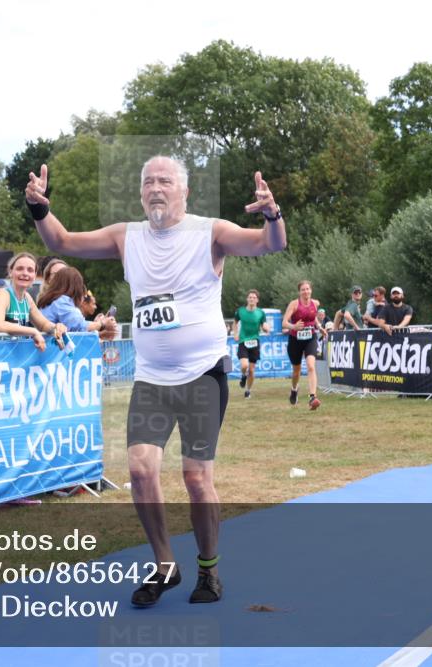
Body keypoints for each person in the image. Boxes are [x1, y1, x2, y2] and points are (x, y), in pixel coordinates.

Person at [25, 156, 286, 607]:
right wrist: (39, 208)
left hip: (203, 374)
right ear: (141, 193)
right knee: (142, 472)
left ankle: (209, 569)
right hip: (152, 379)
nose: (156, 187)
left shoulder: (211, 231)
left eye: (165, 180)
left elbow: (270, 245)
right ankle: (165, 564)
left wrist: (272, 214)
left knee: (195, 478)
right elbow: (62, 240)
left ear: (185, 191)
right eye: (148, 181)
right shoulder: (127, 236)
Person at [0, 251, 68, 351]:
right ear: (10, 272)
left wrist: (56, 328)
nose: (25, 273)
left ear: (34, 276)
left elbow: (43, 324)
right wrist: (32, 331)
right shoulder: (3, 294)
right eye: (19, 269)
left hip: (12, 357)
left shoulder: (27, 298)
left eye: (30, 270)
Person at [36, 265, 116, 339]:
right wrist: (102, 324)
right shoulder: (61, 301)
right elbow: (79, 326)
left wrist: (96, 325)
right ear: (75, 286)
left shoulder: (51, 300)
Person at [283, 280, 326, 409]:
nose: (306, 291)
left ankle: (313, 397)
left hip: (310, 338)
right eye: (303, 289)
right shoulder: (294, 304)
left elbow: (313, 318)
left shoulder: (315, 303)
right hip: (295, 340)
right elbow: (284, 323)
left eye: (308, 289)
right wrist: (294, 326)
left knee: (311, 366)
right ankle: (294, 389)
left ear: (311, 290)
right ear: (299, 291)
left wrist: (319, 327)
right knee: (296, 371)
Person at [232, 289, 270, 399]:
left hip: (255, 342)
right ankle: (243, 375)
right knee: (244, 365)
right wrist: (235, 334)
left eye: (254, 297)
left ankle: (248, 390)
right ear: (247, 299)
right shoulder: (241, 311)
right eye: (250, 297)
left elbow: (264, 325)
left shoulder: (260, 313)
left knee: (252, 370)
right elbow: (235, 323)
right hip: (243, 341)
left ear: (257, 300)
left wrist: (266, 328)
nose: (251, 299)